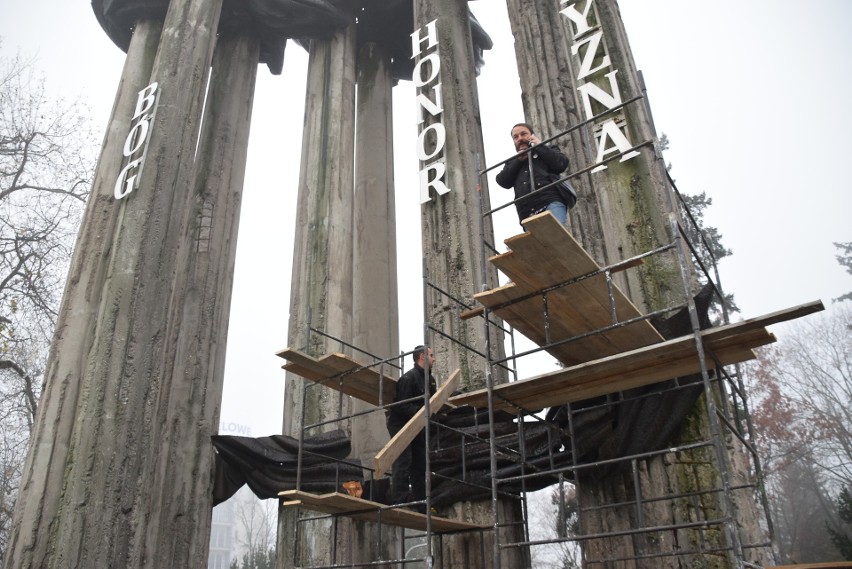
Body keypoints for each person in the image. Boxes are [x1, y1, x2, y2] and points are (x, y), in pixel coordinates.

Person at [386, 345, 436, 510]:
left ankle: (421, 504)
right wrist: (421, 413)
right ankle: (399, 500)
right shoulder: (409, 378)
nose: (434, 359)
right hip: (400, 423)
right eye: (431, 355)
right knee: (404, 458)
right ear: (422, 357)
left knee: (420, 462)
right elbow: (401, 406)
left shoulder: (430, 380)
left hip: (418, 423)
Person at [495, 122, 573, 225]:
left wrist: (539, 146)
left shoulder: (548, 149)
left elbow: (561, 164)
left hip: (550, 201)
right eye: (516, 137)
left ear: (532, 135)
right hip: (526, 211)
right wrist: (518, 160)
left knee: (554, 234)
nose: (520, 138)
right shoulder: (512, 161)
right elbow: (503, 181)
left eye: (523, 134)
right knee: (538, 241)